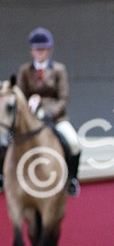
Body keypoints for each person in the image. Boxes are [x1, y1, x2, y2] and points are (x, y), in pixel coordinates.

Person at [0, 27, 81, 196]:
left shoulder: (59, 69)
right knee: (5, 139)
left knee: (73, 142)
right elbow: (19, 95)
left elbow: (63, 98)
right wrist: (29, 104)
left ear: (48, 50)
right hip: (30, 117)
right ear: (32, 51)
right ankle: (2, 176)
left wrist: (48, 113)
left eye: (42, 49)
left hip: (55, 117)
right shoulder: (24, 70)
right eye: (36, 50)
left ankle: (72, 180)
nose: (40, 53)